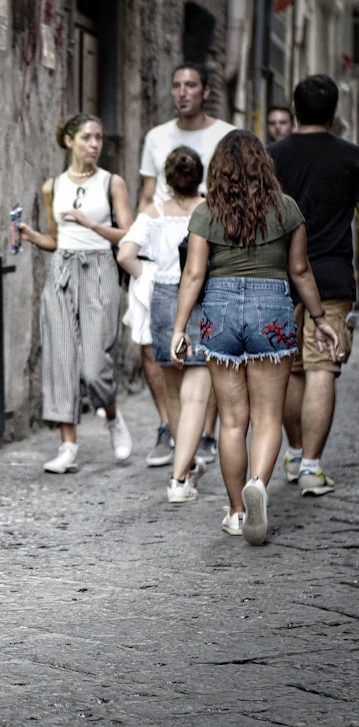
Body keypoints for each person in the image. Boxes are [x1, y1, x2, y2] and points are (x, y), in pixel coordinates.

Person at [171, 130, 340, 546]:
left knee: (232, 421)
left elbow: (194, 274)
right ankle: (259, 484)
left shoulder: (207, 212)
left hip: (220, 310)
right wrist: (319, 319)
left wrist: (179, 328)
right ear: (264, 165)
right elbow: (300, 271)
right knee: (268, 417)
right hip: (273, 310)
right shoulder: (287, 209)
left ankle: (235, 511)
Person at [16, 112, 134, 473]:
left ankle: (112, 416)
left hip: (99, 268)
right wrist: (32, 236)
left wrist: (91, 223)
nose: (95, 144)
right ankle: (67, 446)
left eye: (98, 137)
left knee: (94, 366)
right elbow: (55, 239)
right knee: (61, 358)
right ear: (69, 141)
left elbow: (128, 233)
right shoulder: (53, 186)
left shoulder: (112, 183)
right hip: (62, 270)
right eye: (87, 138)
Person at [137, 62, 234, 467]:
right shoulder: (156, 137)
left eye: (190, 85)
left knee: (205, 345)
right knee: (152, 343)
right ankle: (170, 427)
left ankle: (207, 432)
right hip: (160, 254)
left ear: (205, 90)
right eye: (176, 84)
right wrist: (139, 243)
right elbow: (147, 194)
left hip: (209, 247)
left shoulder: (225, 135)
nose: (182, 92)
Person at [268, 74, 359, 496]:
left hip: (281, 278)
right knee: (323, 367)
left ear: (294, 107)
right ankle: (310, 467)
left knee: (290, 368)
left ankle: (294, 452)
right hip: (332, 278)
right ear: (335, 112)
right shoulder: (351, 158)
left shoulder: (273, 156)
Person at [118, 146, 210, 503]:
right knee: (197, 392)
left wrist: (148, 274)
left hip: (162, 299)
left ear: (168, 183)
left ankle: (182, 468)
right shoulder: (208, 210)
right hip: (200, 298)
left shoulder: (152, 213)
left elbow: (125, 254)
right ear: (198, 178)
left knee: (173, 392)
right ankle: (179, 477)